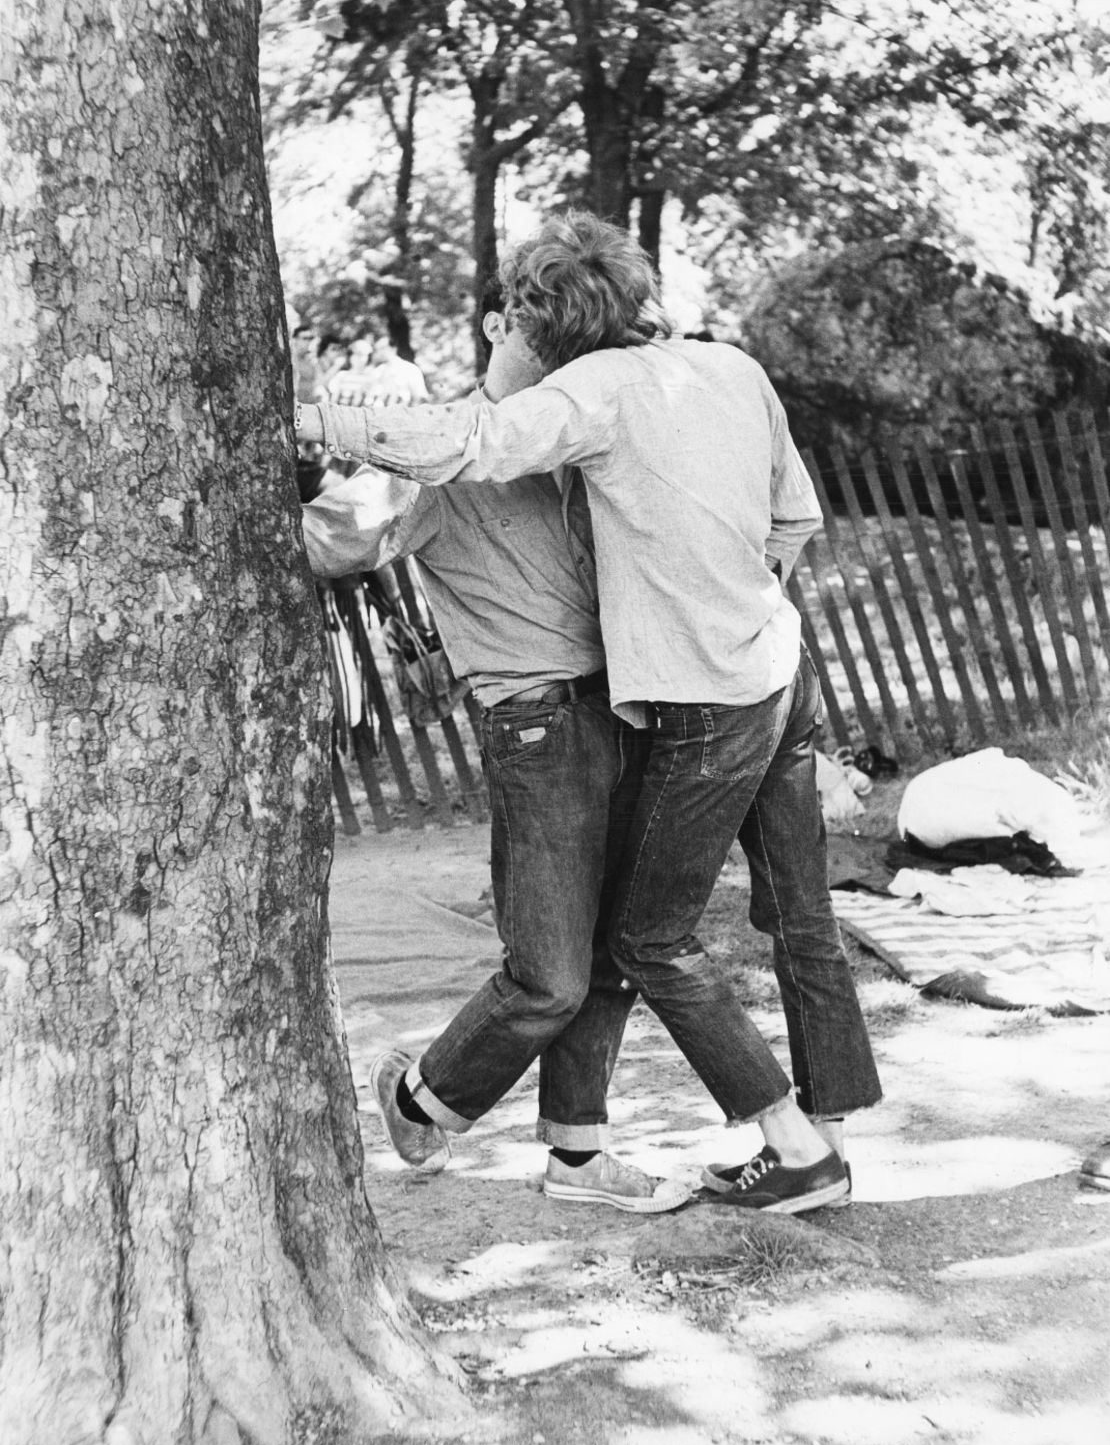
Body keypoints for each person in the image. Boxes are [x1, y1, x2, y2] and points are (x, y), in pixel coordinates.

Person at [297, 210, 882, 1215]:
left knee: (635, 942)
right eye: (510, 324)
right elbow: (341, 540)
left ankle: (658, 1151)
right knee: (607, 959)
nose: (525, 337)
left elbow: (482, 443)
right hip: (640, 699)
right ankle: (466, 1108)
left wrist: (717, 617)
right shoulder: (703, 376)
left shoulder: (595, 409)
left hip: (667, 703)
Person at [298, 322, 690, 1217]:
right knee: (549, 973)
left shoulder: (573, 431)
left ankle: (581, 1158)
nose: (553, 349)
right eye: (532, 327)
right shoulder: (441, 450)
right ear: (495, 328)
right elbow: (331, 539)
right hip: (536, 724)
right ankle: (421, 1097)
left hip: (629, 704)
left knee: (608, 955)